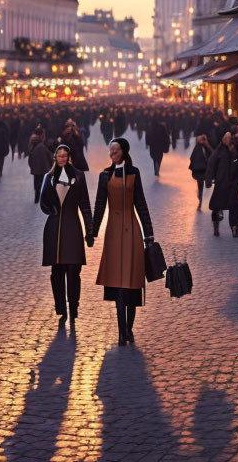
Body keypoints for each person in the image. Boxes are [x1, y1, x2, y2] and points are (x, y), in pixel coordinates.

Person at [92, 138, 154, 346]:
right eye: (110, 150)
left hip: (132, 230)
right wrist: (92, 231)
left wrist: (149, 234)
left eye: (115, 150)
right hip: (113, 231)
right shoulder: (105, 175)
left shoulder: (134, 173)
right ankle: (121, 331)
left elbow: (141, 203)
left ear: (123, 152)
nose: (111, 153)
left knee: (132, 279)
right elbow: (100, 205)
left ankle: (129, 327)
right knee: (118, 281)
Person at [39, 145, 94, 326]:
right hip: (54, 228)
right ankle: (60, 306)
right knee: (57, 271)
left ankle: (74, 305)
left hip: (73, 228)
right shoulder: (49, 177)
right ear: (55, 158)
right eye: (59, 156)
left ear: (69, 157)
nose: (62, 159)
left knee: (73, 271)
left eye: (65, 156)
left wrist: (89, 230)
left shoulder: (78, 176)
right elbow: (43, 202)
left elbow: (85, 205)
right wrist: (51, 209)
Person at [205, 132, 238, 237]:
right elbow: (210, 164)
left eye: (229, 137)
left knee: (235, 208)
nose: (227, 139)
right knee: (216, 206)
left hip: (233, 184)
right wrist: (208, 180)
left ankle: (235, 228)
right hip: (221, 184)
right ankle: (216, 226)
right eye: (225, 137)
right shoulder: (219, 151)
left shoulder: (236, 150)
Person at [188, 135, 213, 210]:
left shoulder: (198, 147)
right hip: (203, 170)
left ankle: (201, 199)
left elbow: (192, 158)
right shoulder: (200, 148)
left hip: (200, 171)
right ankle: (201, 199)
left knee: (200, 186)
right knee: (202, 185)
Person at [28, 134, 53, 203]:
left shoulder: (34, 148)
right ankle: (41, 198)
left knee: (37, 185)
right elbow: (50, 157)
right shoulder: (42, 147)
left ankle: (37, 198)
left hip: (37, 170)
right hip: (44, 169)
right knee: (42, 183)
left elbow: (30, 159)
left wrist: (32, 167)